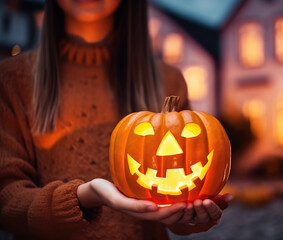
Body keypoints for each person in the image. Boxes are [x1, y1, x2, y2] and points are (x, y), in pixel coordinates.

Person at [0, 0, 233, 239]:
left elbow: (178, 206)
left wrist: (188, 216)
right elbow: (5, 199)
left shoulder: (169, 80)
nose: (167, 152)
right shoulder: (11, 80)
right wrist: (85, 197)